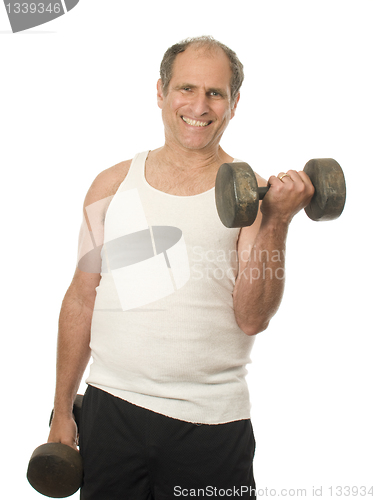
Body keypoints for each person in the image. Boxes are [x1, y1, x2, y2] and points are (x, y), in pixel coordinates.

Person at [47, 36, 314, 499]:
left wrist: (277, 220)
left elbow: (253, 317)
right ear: (161, 92)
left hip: (210, 424)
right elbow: (82, 296)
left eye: (216, 93)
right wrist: (60, 410)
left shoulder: (252, 197)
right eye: (186, 88)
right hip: (110, 413)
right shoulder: (110, 185)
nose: (199, 105)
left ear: (234, 104)